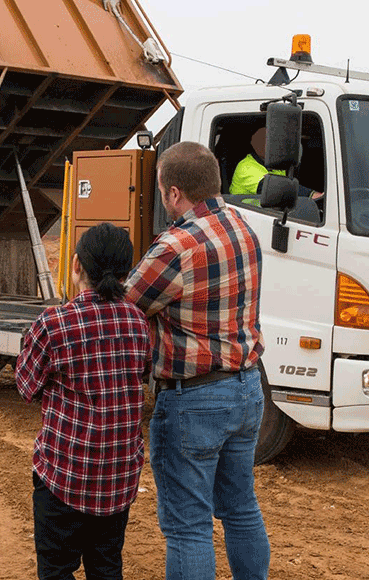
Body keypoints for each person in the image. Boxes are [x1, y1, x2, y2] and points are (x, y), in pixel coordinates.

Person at [124, 142, 270, 580]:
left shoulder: (176, 246)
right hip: (247, 390)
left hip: (195, 398)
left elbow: (127, 304)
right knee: (241, 507)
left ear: (172, 193)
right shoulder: (242, 227)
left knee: (189, 527)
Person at [16, 222, 151, 580]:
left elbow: (27, 387)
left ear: (76, 265)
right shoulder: (138, 323)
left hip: (65, 476)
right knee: (106, 567)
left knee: (57, 570)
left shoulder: (54, 324)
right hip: (118, 479)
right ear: (127, 272)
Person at [230, 126, 323, 203]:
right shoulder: (246, 167)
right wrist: (310, 195)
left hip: (271, 212)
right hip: (248, 217)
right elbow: (274, 188)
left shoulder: (273, 164)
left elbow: (288, 184)